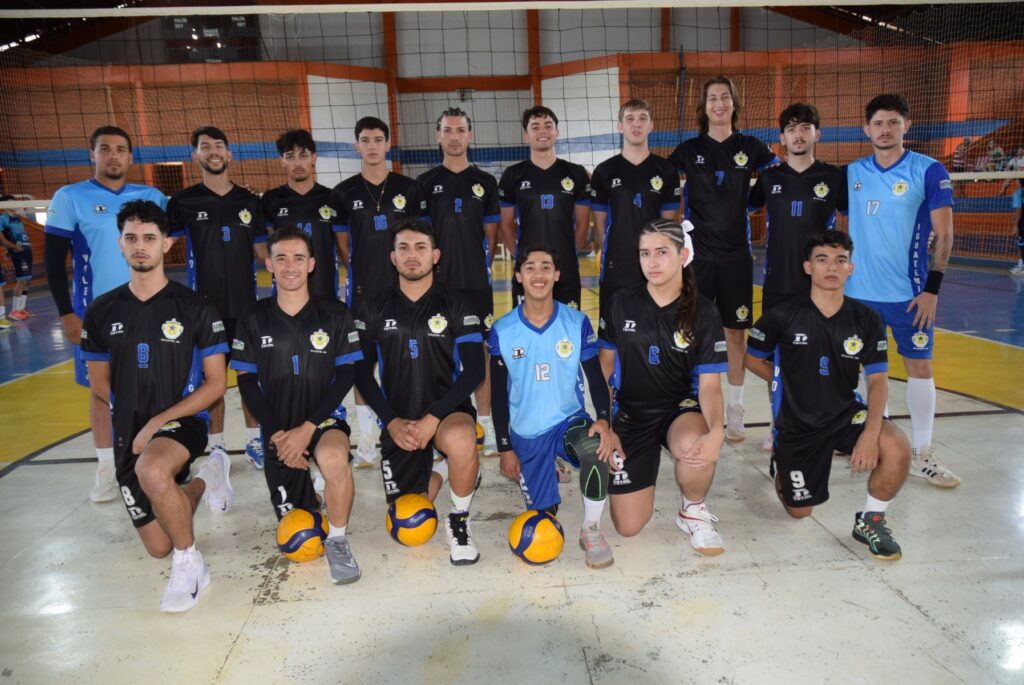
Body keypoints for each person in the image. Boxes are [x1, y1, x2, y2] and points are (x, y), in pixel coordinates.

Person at [80, 199, 232, 611]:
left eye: (149, 238)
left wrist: (156, 423)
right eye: (131, 238)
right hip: (129, 429)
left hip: (183, 420)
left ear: (167, 243)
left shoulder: (196, 308)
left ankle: (191, 565)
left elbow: (216, 384)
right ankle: (207, 477)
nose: (140, 246)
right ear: (120, 244)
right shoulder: (102, 310)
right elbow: (99, 383)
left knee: (152, 470)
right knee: (159, 545)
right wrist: (134, 419)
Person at [745, 231, 910, 561]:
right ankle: (782, 462)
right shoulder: (782, 314)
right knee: (799, 512)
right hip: (798, 423)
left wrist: (870, 435)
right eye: (822, 259)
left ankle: (871, 520)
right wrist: (788, 381)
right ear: (808, 267)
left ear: (851, 268)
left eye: (840, 260)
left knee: (896, 445)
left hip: (844, 413)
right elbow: (752, 358)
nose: (832, 267)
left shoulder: (865, 319)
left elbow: (878, 381)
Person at [231, 228, 364, 584]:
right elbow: (246, 381)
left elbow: (346, 376)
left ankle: (339, 540)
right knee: (299, 527)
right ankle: (315, 491)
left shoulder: (335, 314)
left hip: (322, 420)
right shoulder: (252, 317)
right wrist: (278, 433)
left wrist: (307, 429)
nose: (290, 266)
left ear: (312, 264)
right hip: (277, 426)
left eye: (298, 258)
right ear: (269, 264)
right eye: (282, 258)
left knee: (334, 457)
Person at [44, 126, 167, 503]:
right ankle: (105, 468)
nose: (113, 155)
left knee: (156, 384)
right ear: (92, 154)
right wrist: (66, 313)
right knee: (101, 391)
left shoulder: (152, 197)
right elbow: (53, 260)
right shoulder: (70, 197)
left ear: (130, 156)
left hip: (150, 310)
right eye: (105, 149)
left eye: (121, 149)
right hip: (95, 313)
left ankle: (158, 460)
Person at [845, 93, 960, 488]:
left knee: (919, 367)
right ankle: (877, 440)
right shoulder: (853, 172)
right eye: (878, 123)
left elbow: (944, 234)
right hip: (859, 295)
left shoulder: (928, 170)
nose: (885, 129)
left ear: (906, 126)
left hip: (910, 295)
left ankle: (923, 452)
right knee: (868, 370)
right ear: (866, 129)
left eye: (893, 122)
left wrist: (932, 290)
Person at [354, 218, 485, 565]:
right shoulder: (372, 306)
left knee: (461, 440)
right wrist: (391, 421)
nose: (412, 255)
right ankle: (445, 470)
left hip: (446, 411)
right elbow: (362, 374)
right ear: (393, 257)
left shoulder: (457, 303)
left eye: (420, 248)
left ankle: (459, 519)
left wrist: (433, 418)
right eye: (404, 248)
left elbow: (474, 371)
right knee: (411, 517)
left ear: (435, 256)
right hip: (398, 417)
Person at [598, 219, 728, 553]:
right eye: (645, 253)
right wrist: (605, 422)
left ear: (683, 255)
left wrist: (717, 431)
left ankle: (693, 510)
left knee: (696, 445)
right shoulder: (621, 302)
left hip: (678, 410)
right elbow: (605, 368)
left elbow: (710, 387)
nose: (652, 262)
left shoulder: (704, 311)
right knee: (628, 527)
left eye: (661, 252)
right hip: (630, 414)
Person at [489, 244, 617, 570]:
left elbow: (595, 378)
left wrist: (604, 420)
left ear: (557, 275)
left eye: (546, 267)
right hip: (527, 432)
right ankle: (549, 465)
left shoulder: (576, 322)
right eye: (530, 267)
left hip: (567, 420)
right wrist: (505, 447)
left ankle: (591, 528)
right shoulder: (503, 330)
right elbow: (499, 396)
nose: (539, 274)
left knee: (594, 449)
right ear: (518, 276)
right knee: (544, 520)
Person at [668, 76, 778, 444]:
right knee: (692, 330)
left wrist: (751, 204)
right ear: (704, 106)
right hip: (697, 257)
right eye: (712, 98)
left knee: (735, 334)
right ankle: (691, 403)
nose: (718, 103)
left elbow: (778, 177)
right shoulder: (689, 149)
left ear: (734, 103)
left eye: (725, 97)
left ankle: (736, 408)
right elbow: (661, 180)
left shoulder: (751, 147)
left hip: (736, 256)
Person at [748, 103, 847, 450]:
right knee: (776, 358)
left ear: (818, 134)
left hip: (820, 287)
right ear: (782, 137)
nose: (799, 135)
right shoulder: (769, 178)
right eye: (791, 129)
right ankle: (779, 424)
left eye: (805, 127)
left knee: (824, 357)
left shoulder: (834, 177)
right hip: (777, 285)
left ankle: (828, 423)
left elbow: (864, 218)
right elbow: (735, 210)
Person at [167, 126, 266, 466]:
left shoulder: (250, 202)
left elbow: (263, 252)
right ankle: (217, 446)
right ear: (195, 155)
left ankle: (255, 441)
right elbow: (162, 244)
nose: (213, 151)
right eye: (205, 146)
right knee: (213, 382)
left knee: (249, 377)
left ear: (229, 154)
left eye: (219, 145)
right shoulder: (182, 202)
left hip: (245, 309)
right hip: (204, 311)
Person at [331, 116, 427, 467]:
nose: (372, 146)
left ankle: (413, 428)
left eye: (377, 139)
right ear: (356, 146)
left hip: (404, 294)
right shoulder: (343, 192)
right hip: (363, 295)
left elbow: (419, 240)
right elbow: (343, 244)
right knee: (363, 364)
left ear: (388, 144)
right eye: (365, 140)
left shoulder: (410, 189)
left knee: (408, 360)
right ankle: (369, 439)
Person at [417, 107, 501, 453]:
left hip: (476, 285)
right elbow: (420, 240)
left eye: (461, 130)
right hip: (436, 287)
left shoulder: (486, 182)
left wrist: (476, 266)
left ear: (470, 135)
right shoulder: (424, 183)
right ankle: (441, 419)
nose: (454, 137)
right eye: (448, 130)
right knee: (436, 353)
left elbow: (491, 239)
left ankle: (486, 425)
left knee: (480, 354)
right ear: (438, 136)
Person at [590, 99, 681, 328]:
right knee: (611, 334)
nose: (636, 124)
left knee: (655, 331)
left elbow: (668, 226)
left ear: (651, 125)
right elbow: (600, 225)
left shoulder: (666, 170)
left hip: (654, 265)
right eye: (630, 119)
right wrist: (610, 255)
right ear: (620, 126)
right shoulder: (604, 171)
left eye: (642, 118)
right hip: (617, 265)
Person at [498, 106, 591, 309]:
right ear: (526, 136)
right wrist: (522, 258)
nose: (542, 131)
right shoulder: (512, 175)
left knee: (568, 327)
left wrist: (565, 254)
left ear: (557, 132)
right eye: (535, 127)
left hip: (566, 272)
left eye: (548, 126)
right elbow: (505, 225)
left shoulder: (576, 173)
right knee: (527, 326)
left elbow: (583, 224)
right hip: (528, 274)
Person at [261, 129, 344, 302]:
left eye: (303, 155)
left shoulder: (332, 198)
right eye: (290, 157)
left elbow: (344, 244)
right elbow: (265, 248)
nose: (297, 163)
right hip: (285, 292)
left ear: (314, 158)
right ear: (282, 161)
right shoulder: (270, 200)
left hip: (325, 290)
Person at [0, 196, 34, 320]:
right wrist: (9, 249)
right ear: (4, 206)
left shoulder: (18, 218)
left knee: (28, 281)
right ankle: (14, 311)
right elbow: (3, 238)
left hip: (27, 250)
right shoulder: (2, 219)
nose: (13, 205)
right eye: (10, 203)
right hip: (17, 252)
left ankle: (21, 308)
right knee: (22, 280)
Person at [1010, 179, 1024, 276]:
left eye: (1017, 181)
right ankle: (1020, 265)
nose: (1016, 183)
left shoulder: (1018, 193)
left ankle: (1021, 266)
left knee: (1021, 243)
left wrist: (1015, 225)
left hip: (1022, 222)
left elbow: (1018, 210)